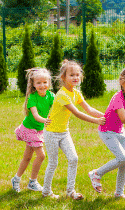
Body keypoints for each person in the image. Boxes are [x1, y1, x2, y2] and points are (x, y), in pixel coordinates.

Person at [42, 60, 106, 200]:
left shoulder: (76, 93)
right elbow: (77, 113)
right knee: (53, 163)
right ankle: (46, 191)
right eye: (72, 75)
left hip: (64, 132)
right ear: (63, 77)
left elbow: (89, 109)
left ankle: (70, 192)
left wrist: (106, 115)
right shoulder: (62, 94)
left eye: (77, 74)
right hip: (51, 133)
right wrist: (96, 121)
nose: (75, 77)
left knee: (74, 158)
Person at [88, 67, 125, 199]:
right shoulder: (117, 98)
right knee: (122, 158)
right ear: (122, 82)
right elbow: (124, 119)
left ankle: (119, 193)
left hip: (120, 131)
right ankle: (96, 173)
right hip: (107, 131)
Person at [11, 68, 55, 192]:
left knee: (27, 157)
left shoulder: (51, 96)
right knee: (41, 156)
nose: (42, 85)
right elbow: (35, 115)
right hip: (29, 129)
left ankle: (16, 179)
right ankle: (33, 182)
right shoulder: (32, 97)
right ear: (34, 85)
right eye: (39, 83)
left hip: (38, 129)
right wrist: (46, 120)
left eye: (45, 82)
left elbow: (59, 107)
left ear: (49, 83)